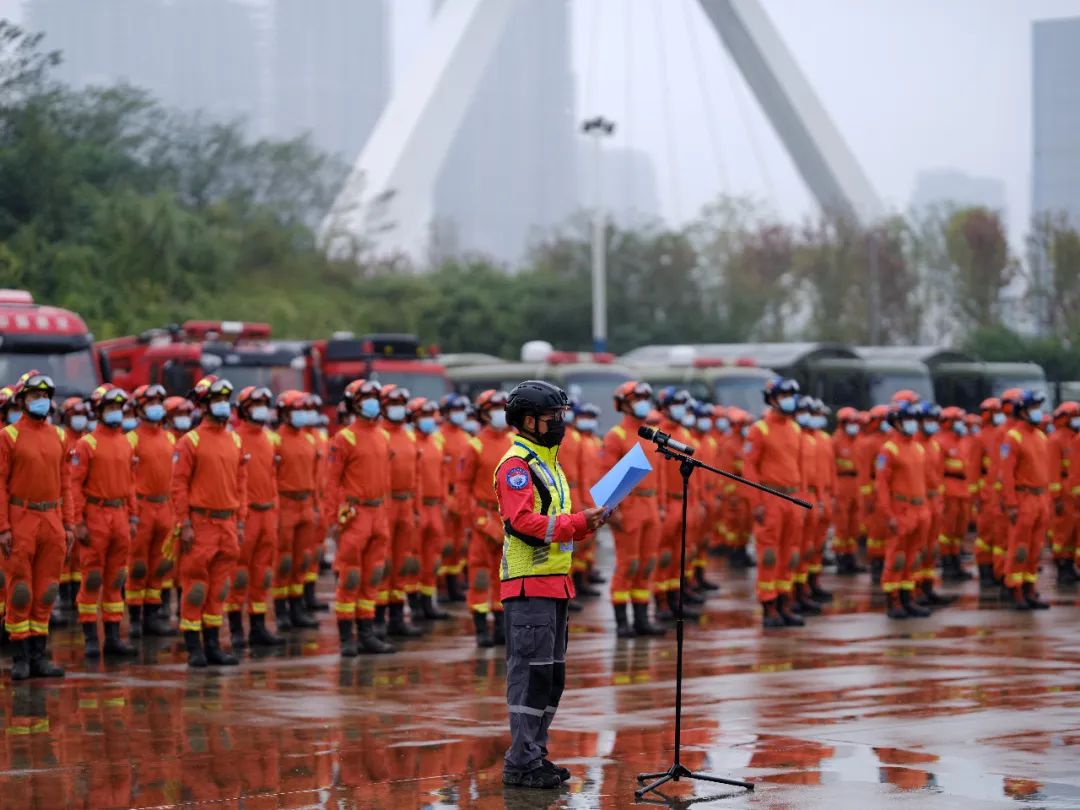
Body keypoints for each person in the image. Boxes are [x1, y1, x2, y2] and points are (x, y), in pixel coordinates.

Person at [496, 380, 606, 790]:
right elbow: (522, 524)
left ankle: (535, 753)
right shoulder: (517, 465)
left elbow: (556, 521)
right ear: (529, 421)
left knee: (551, 677)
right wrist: (577, 523)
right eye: (552, 418)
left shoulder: (548, 461)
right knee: (530, 676)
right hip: (528, 587)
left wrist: (585, 522)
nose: (560, 424)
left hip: (555, 585)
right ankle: (520, 761)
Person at [0, 373, 75, 679]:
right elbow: (1, 486)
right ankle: (19, 657)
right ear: (21, 401)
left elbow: (66, 484)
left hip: (52, 519)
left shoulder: (59, 435)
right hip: (21, 518)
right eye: (33, 396)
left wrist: (69, 525)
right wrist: (3, 527)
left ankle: (39, 657)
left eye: (44, 395)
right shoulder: (8, 436)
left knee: (46, 591)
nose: (40, 400)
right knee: (20, 590)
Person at [171, 377, 247, 667]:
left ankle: (213, 645)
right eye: (216, 399)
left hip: (227, 523)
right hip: (200, 524)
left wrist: (240, 521)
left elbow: (241, 483)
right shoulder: (189, 442)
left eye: (225, 399)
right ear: (202, 405)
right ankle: (194, 648)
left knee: (219, 588)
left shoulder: (235, 440)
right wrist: (184, 524)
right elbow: (178, 486)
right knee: (196, 587)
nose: (223, 405)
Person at [322, 379, 394, 656]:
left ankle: (367, 633)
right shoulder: (344, 438)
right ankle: (346, 637)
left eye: (374, 397)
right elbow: (331, 483)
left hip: (378, 512)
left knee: (373, 573)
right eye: (365, 398)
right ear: (354, 403)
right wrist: (333, 520)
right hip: (356, 513)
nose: (371, 402)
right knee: (351, 576)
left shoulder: (382, 435)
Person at [71, 384, 138, 658]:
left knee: (116, 578)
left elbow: (130, 483)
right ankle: (89, 637)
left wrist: (133, 516)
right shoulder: (86, 444)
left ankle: (112, 637)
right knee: (93, 577)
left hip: (120, 515)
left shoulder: (125, 442)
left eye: (118, 408)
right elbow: (75, 485)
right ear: (98, 411)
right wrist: (78, 522)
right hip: (96, 516)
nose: (115, 413)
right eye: (110, 408)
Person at [603, 381, 666, 638]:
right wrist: (611, 509)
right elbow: (605, 475)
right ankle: (622, 621)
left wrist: (660, 504)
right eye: (636, 398)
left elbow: (659, 473)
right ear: (624, 404)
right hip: (629, 504)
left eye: (644, 398)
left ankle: (642, 619)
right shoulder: (615, 436)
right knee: (628, 564)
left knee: (647, 563)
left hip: (650, 504)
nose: (642, 402)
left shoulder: (650, 433)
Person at [743, 377, 805, 629]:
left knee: (788, 554)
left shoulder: (796, 428)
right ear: (771, 399)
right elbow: (749, 467)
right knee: (769, 554)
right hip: (770, 497)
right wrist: (756, 501)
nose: (789, 399)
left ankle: (784, 602)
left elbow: (801, 467)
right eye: (784, 395)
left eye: (792, 394)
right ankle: (768, 606)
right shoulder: (760, 429)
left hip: (792, 497)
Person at [228, 386, 284, 647]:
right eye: (255, 403)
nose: (261, 408)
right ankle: (237, 629)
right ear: (243, 409)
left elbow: (273, 477)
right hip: (246, 515)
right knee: (239, 573)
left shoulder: (271, 439)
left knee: (263, 574)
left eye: (264, 402)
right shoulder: (234, 439)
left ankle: (259, 626)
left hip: (267, 514)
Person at [125, 384, 178, 638]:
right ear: (138, 407)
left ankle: (152, 616)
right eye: (150, 402)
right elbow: (126, 479)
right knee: (137, 565)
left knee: (159, 565)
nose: (156, 406)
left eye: (159, 401)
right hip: (142, 506)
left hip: (164, 507)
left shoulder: (170, 438)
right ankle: (135, 618)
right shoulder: (131, 439)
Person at [461, 390, 513, 647]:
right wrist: (476, 519)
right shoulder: (475, 445)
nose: (498, 413)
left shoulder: (516, 441)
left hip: (510, 515)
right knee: (480, 573)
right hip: (483, 515)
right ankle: (481, 629)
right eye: (493, 408)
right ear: (482, 412)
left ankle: (502, 627)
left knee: (506, 574)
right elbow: (462, 487)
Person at [875, 400, 931, 620]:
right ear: (896, 422)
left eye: (912, 420)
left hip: (920, 508)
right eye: (906, 420)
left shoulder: (917, 447)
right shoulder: (888, 449)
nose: (911, 424)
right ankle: (893, 600)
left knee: (913, 556)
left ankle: (909, 598)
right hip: (901, 509)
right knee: (896, 557)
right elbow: (881, 486)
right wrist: (888, 514)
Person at [272, 390, 320, 632]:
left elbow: (314, 476)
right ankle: (281, 610)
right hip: (285, 504)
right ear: (283, 412)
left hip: (306, 504)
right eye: (295, 410)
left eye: (302, 410)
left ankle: (297, 607)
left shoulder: (310, 439)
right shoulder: (276, 440)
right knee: (284, 560)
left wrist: (316, 506)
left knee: (302, 560)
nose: (300, 415)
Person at [999, 389, 1051, 610]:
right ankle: (1015, 590)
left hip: (1041, 498)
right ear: (1021, 411)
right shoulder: (1012, 437)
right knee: (1019, 547)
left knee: (1035, 548)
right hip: (1023, 498)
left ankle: (1030, 589)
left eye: (1038, 408)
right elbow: (1006, 474)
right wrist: (1011, 504)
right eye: (1032, 408)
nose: (1037, 412)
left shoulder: (1040, 436)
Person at [379, 385, 425, 638]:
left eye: (400, 402)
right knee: (382, 564)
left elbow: (415, 476)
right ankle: (377, 619)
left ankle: (396, 618)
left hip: (406, 505)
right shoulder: (379, 435)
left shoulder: (408, 436)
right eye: (392, 402)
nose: (397, 407)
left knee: (401, 564)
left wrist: (416, 508)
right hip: (387, 505)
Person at [652, 388, 699, 621]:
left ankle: (675, 599)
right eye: (676, 403)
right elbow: (657, 474)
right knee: (663, 555)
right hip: (666, 502)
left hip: (684, 501)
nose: (681, 408)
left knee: (681, 555)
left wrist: (697, 501)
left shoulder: (684, 432)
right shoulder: (658, 433)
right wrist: (659, 504)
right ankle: (660, 600)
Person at [407, 397, 451, 621]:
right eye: (423, 416)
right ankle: (413, 603)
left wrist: (443, 501)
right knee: (414, 557)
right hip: (418, 507)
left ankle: (427, 602)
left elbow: (443, 474)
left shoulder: (436, 442)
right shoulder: (409, 441)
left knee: (432, 558)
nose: (428, 421)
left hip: (435, 507)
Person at [437, 394, 472, 602]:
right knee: (445, 544)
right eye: (454, 410)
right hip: (446, 493)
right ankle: (441, 587)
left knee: (460, 543)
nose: (458, 414)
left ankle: (454, 585)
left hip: (461, 495)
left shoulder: (467, 438)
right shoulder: (438, 437)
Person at [937, 407, 974, 581]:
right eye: (957, 420)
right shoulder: (940, 441)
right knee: (947, 530)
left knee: (960, 530)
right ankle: (947, 564)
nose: (961, 424)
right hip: (949, 488)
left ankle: (956, 561)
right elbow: (937, 470)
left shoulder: (964, 441)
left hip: (964, 489)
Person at [1048, 401, 1078, 585]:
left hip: (1075, 490)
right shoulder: (1056, 439)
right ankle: (1063, 566)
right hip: (1065, 491)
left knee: (1074, 532)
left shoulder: (1075, 436)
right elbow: (1053, 470)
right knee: (1063, 532)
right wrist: (1056, 497)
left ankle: (1070, 565)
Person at [832, 407, 863, 575]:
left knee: (854, 523)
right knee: (842, 524)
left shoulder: (859, 440)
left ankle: (851, 556)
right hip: (841, 483)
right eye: (850, 422)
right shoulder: (836, 441)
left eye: (855, 422)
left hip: (856, 484)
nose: (853, 426)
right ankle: (841, 557)